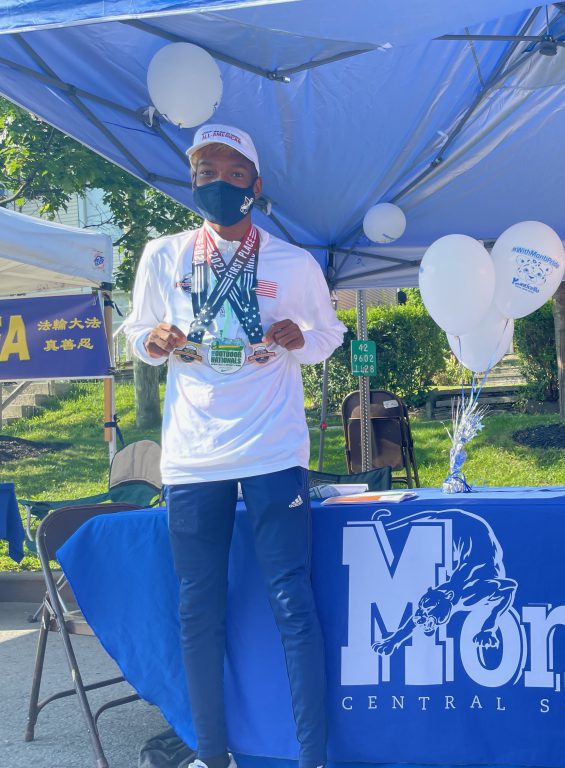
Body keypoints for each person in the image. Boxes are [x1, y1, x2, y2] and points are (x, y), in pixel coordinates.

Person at [121, 124, 344, 768]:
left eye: (226, 173)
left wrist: (301, 336)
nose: (213, 185)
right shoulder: (163, 256)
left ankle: (312, 759)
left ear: (255, 184)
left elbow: (326, 334)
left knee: (291, 603)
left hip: (274, 450)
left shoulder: (292, 262)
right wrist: (151, 342)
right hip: (193, 454)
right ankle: (212, 757)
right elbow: (136, 331)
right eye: (200, 175)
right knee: (198, 611)